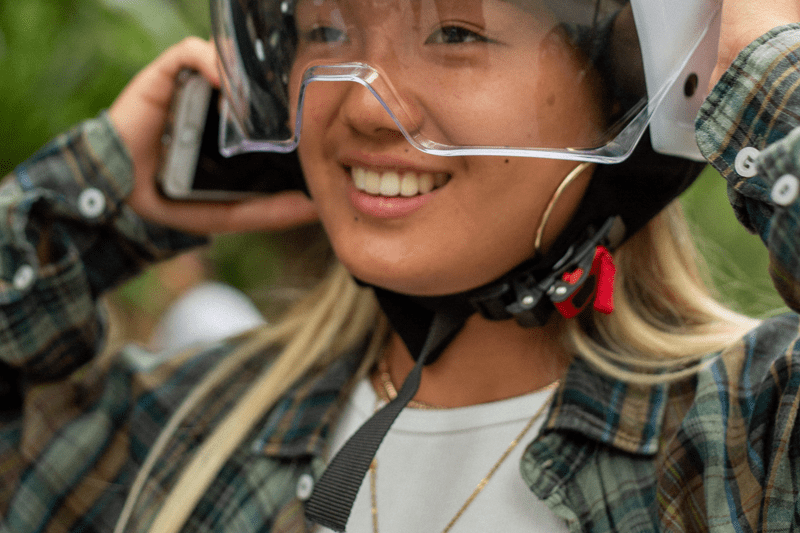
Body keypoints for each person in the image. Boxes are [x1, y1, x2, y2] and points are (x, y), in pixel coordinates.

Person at [0, 0, 799, 531]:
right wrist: (86, 199)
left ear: (629, 89)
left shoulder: (745, 447)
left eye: (454, 34)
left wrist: (759, 66)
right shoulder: (180, 431)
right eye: (325, 32)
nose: (364, 109)